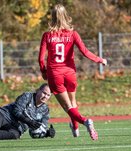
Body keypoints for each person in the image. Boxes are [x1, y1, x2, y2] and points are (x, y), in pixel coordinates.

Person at [38, 4, 107, 141]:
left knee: (67, 106)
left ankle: (85, 121)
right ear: (66, 17)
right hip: (70, 72)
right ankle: (75, 129)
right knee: (73, 101)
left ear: (52, 17)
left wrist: (44, 72)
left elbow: (40, 58)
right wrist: (100, 60)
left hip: (55, 73)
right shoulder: (73, 34)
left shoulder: (47, 35)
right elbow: (85, 52)